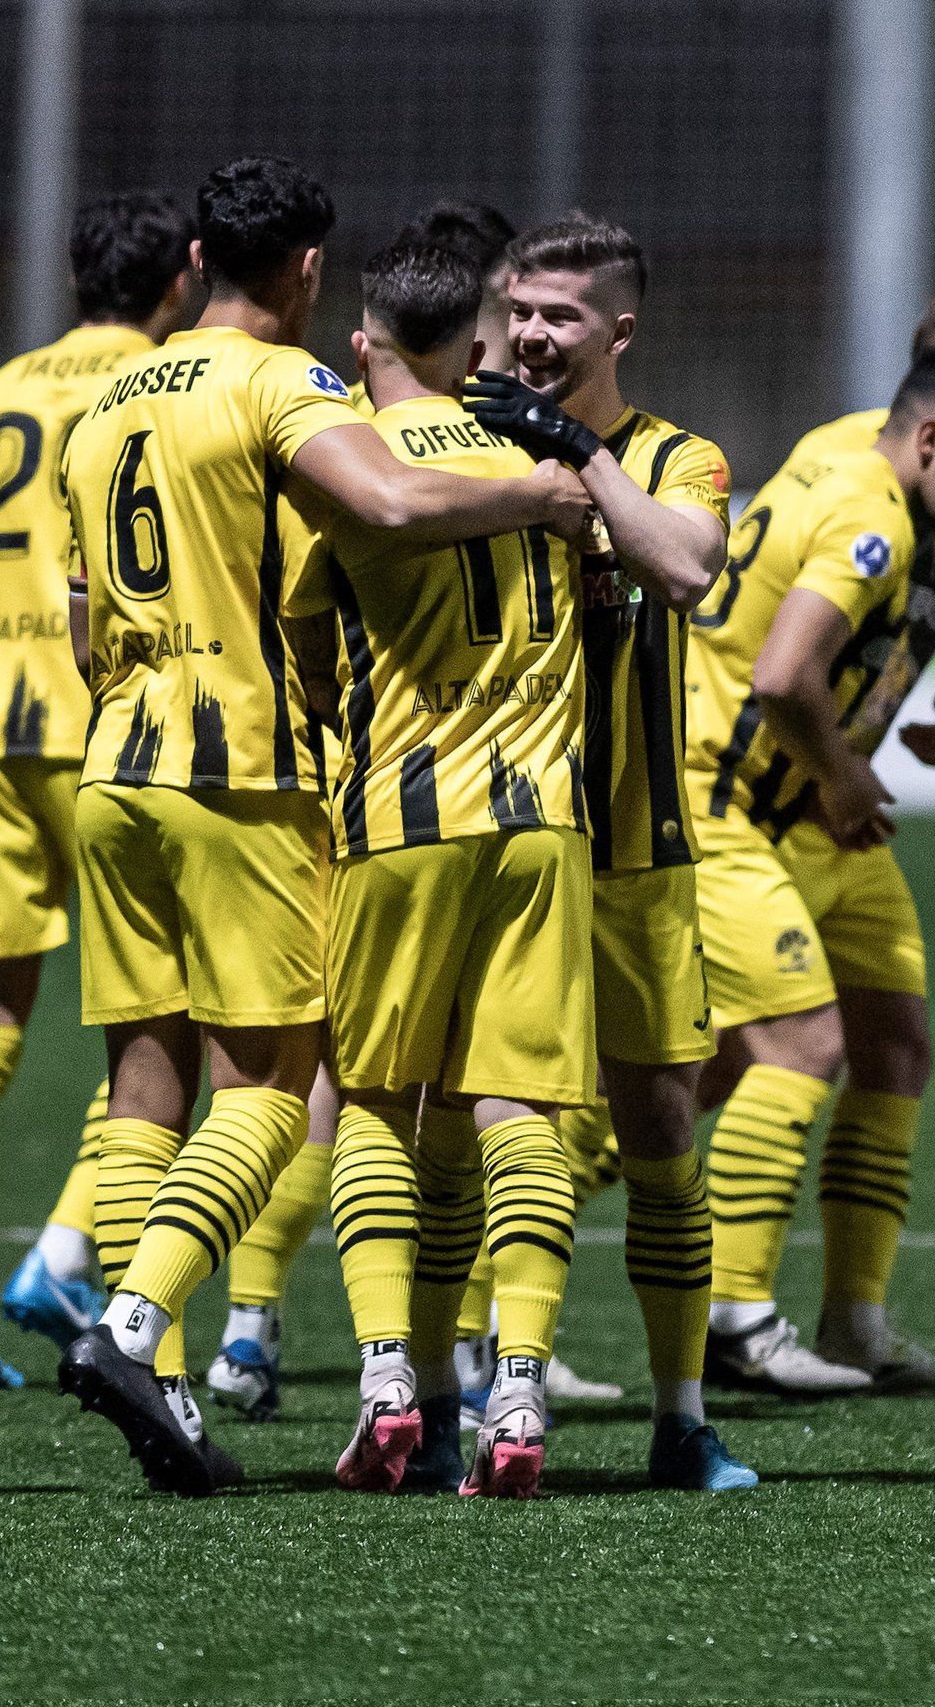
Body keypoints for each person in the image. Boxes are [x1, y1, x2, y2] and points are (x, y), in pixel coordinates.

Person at [52, 155, 594, 1496]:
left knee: (143, 1084)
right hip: (240, 773)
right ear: (302, 273)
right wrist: (543, 490)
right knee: (279, 1082)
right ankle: (131, 1331)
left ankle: (166, 1386)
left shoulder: (104, 397)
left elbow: (80, 622)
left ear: (192, 265)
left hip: (114, 768)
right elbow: (396, 501)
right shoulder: (282, 382)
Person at [696, 284, 935, 1393]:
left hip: (821, 811)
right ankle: (726, 1319)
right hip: (730, 804)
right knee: (744, 1059)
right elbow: (777, 673)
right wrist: (847, 773)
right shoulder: (867, 496)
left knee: (889, 1042)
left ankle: (851, 1320)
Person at [202, 197, 519, 1428]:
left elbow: (301, 611)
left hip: (327, 779)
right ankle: (481, 1356)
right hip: (461, 798)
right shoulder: (501, 457)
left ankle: (244, 1328)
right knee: (465, 1086)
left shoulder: (301, 413)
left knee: (329, 1072)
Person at [0, 191, 202, 1396]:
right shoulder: (163, 391)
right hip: (119, 737)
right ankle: (77, 1261)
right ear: (179, 278)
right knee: (156, 1028)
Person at [295, 235, 595, 1499]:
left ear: (362, 346)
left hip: (400, 822)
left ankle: (380, 1380)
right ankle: (512, 1381)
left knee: (373, 1098)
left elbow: (307, 650)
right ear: (478, 349)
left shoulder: (345, 472)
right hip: (543, 826)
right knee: (518, 1110)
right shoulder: (548, 468)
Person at [462, 214, 756, 1489]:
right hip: (499, 836)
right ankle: (478, 1382)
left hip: (638, 854)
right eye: (520, 309)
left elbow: (686, 571)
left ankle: (679, 1413)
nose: (531, 333)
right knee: (483, 1117)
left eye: (560, 316)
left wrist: (578, 455)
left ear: (616, 330)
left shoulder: (679, 458)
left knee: (659, 1129)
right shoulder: (462, 443)